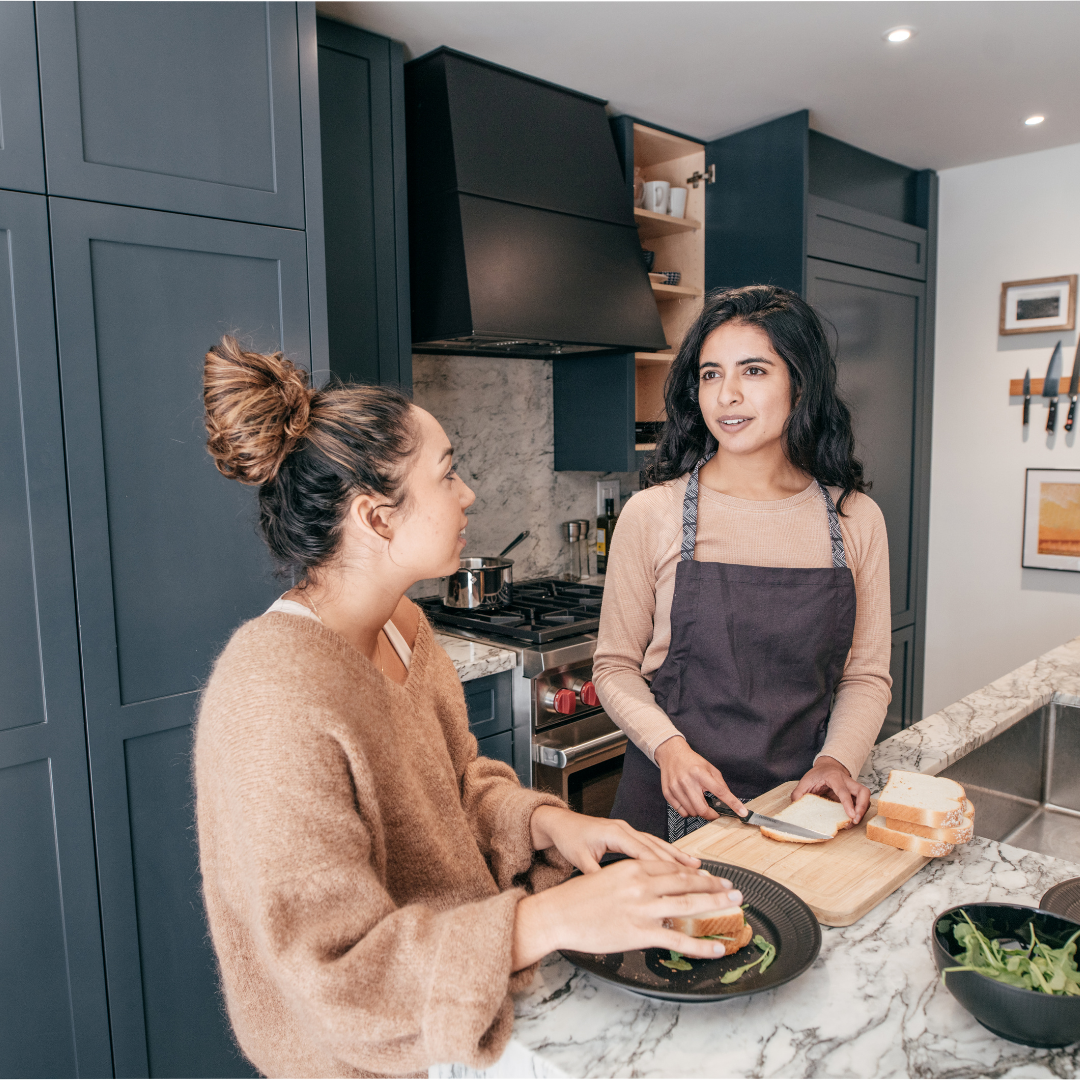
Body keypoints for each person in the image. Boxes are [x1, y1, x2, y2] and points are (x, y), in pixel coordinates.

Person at [193, 337, 742, 1079]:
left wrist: (552, 821)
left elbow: (457, 785)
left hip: (475, 1007)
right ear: (377, 519)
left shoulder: (404, 626)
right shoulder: (269, 696)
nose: (469, 494)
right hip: (384, 1059)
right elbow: (336, 977)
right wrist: (551, 917)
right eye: (447, 473)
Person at [596, 285, 892, 842]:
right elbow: (614, 668)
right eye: (710, 374)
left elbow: (866, 674)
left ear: (799, 384)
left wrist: (837, 764)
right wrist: (669, 749)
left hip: (798, 801)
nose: (726, 395)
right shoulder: (653, 513)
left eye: (753, 371)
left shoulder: (854, 519)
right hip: (668, 797)